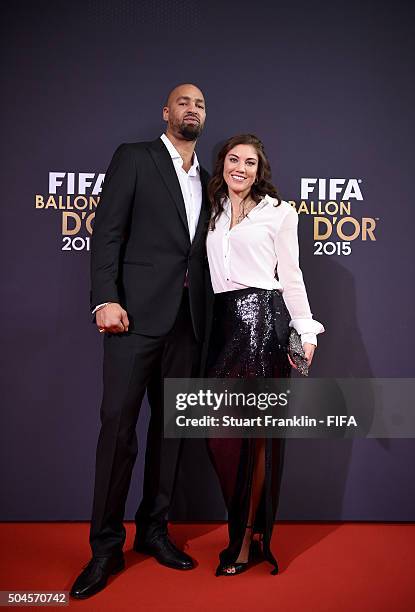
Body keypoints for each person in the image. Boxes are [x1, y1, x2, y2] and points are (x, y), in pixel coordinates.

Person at [70, 83, 210, 599]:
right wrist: (104, 297)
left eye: (199, 103)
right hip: (131, 320)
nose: (191, 109)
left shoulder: (211, 179)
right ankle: (104, 550)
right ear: (166, 112)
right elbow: (106, 231)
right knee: (119, 433)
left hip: (189, 325)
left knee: (170, 437)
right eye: (183, 102)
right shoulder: (135, 157)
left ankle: (154, 532)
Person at [205, 134, 324, 576]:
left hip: (262, 323)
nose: (241, 168)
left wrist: (305, 329)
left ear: (260, 170)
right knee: (220, 436)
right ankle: (244, 529)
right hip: (221, 326)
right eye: (234, 159)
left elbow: (291, 274)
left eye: (250, 162)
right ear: (222, 164)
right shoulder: (211, 210)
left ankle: (246, 538)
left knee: (256, 439)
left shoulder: (279, 213)